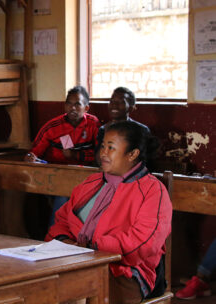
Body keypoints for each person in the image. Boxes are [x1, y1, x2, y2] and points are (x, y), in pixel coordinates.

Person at [46, 121, 172, 304]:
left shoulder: (153, 191)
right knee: (38, 287)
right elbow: (62, 221)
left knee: (77, 290)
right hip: (76, 262)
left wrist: (92, 249)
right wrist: (65, 242)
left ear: (132, 154)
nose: (103, 153)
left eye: (111, 148)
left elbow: (144, 243)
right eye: (103, 146)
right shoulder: (91, 182)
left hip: (125, 272)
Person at [25, 85, 101, 226]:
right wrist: (31, 157)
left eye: (77, 104)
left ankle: (60, 235)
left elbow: (100, 155)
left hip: (83, 176)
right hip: (55, 176)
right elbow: (34, 152)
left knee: (69, 193)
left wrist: (76, 155)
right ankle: (57, 236)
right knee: (63, 191)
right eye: (69, 104)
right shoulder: (53, 126)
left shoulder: (93, 124)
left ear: (86, 108)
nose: (72, 108)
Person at [95, 87, 150, 165]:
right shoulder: (103, 129)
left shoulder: (141, 130)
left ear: (131, 108)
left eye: (121, 102)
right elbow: (99, 162)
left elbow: (143, 162)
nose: (114, 105)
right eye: (112, 101)